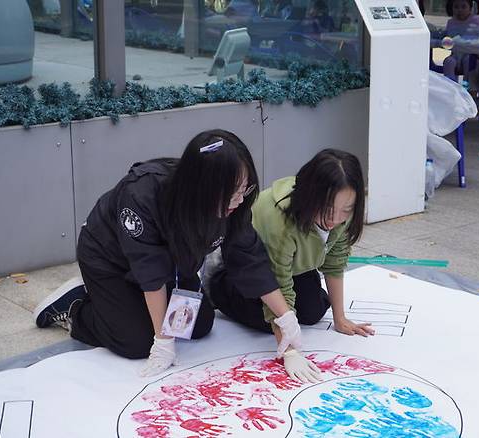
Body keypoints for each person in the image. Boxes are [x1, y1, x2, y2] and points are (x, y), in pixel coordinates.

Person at [33, 129, 296, 378]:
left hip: (174, 260)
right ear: (202, 186)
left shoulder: (232, 204)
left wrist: (285, 318)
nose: (239, 200)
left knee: (198, 325)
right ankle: (75, 308)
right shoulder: (142, 195)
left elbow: (249, 258)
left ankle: (124, 308)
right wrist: (162, 341)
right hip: (111, 258)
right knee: (136, 342)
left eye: (245, 189)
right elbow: (150, 272)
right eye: (232, 192)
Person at [210, 149, 373, 381]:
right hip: (246, 272)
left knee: (313, 311)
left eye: (346, 210)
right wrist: (290, 351)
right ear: (310, 195)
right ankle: (218, 290)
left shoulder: (341, 214)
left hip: (293, 268)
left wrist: (340, 318)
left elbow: (335, 263)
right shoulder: (280, 220)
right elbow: (275, 280)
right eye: (327, 210)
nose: (335, 219)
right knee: (268, 322)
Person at [442, 0, 479, 79]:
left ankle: (467, 86)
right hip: (456, 54)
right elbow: (447, 37)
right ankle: (451, 86)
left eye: (463, 7)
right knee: (448, 62)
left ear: (470, 8)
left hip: (472, 55)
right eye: (456, 7)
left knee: (468, 62)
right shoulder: (451, 22)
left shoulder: (477, 20)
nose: (460, 10)